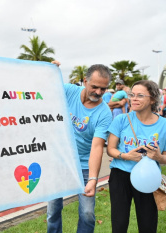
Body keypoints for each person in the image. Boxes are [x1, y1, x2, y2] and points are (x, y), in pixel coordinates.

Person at [47, 62, 112, 233]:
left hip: (84, 166)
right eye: (95, 87)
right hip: (60, 161)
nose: (98, 92)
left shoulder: (104, 113)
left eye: (103, 89)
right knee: (53, 210)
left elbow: (97, 147)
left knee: (87, 212)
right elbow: (45, 87)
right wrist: (49, 70)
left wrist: (92, 179)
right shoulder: (69, 91)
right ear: (85, 81)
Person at [107, 80, 166, 233]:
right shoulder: (121, 120)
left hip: (148, 178)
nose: (134, 99)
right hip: (120, 175)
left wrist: (157, 156)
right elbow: (110, 149)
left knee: (148, 223)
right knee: (119, 223)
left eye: (140, 95)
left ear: (153, 99)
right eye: (132, 95)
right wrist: (125, 156)